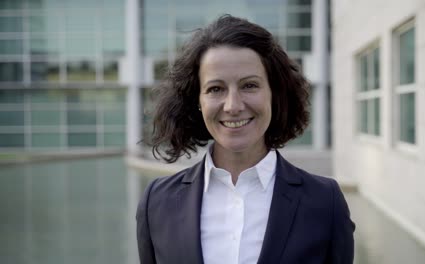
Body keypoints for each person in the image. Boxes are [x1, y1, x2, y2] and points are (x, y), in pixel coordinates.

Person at [137, 15, 355, 264]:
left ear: (274, 93)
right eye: (215, 89)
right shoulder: (156, 201)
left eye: (249, 85)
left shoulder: (326, 202)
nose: (233, 106)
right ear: (197, 100)